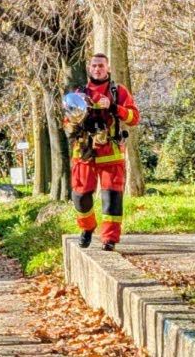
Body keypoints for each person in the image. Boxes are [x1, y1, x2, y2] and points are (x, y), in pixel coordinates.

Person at [64, 53, 140, 251]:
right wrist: (73, 122)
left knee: (112, 198)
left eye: (101, 66)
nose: (97, 69)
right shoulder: (79, 93)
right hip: (84, 152)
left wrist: (114, 107)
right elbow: (67, 121)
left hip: (111, 152)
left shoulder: (118, 91)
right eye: (94, 66)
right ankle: (87, 228)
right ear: (89, 68)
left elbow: (134, 118)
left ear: (108, 68)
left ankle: (109, 239)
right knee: (80, 196)